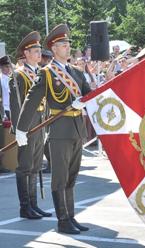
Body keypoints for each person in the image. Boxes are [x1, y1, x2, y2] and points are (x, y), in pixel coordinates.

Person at [15, 24, 91, 234]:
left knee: (71, 177)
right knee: (60, 177)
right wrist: (21, 129)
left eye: (68, 44)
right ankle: (62, 220)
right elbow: (31, 100)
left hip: (77, 130)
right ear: (54, 48)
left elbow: (90, 93)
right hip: (59, 132)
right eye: (63, 44)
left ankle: (71, 217)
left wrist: (85, 100)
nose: (68, 47)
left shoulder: (76, 71)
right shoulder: (47, 73)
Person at [9, 31, 50, 219]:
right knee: (25, 166)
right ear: (26, 54)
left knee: (35, 166)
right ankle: (25, 206)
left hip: (39, 124)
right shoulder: (19, 75)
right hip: (26, 126)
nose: (39, 53)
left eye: (39, 49)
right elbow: (17, 105)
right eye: (35, 50)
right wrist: (20, 129)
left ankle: (34, 204)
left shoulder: (39, 73)